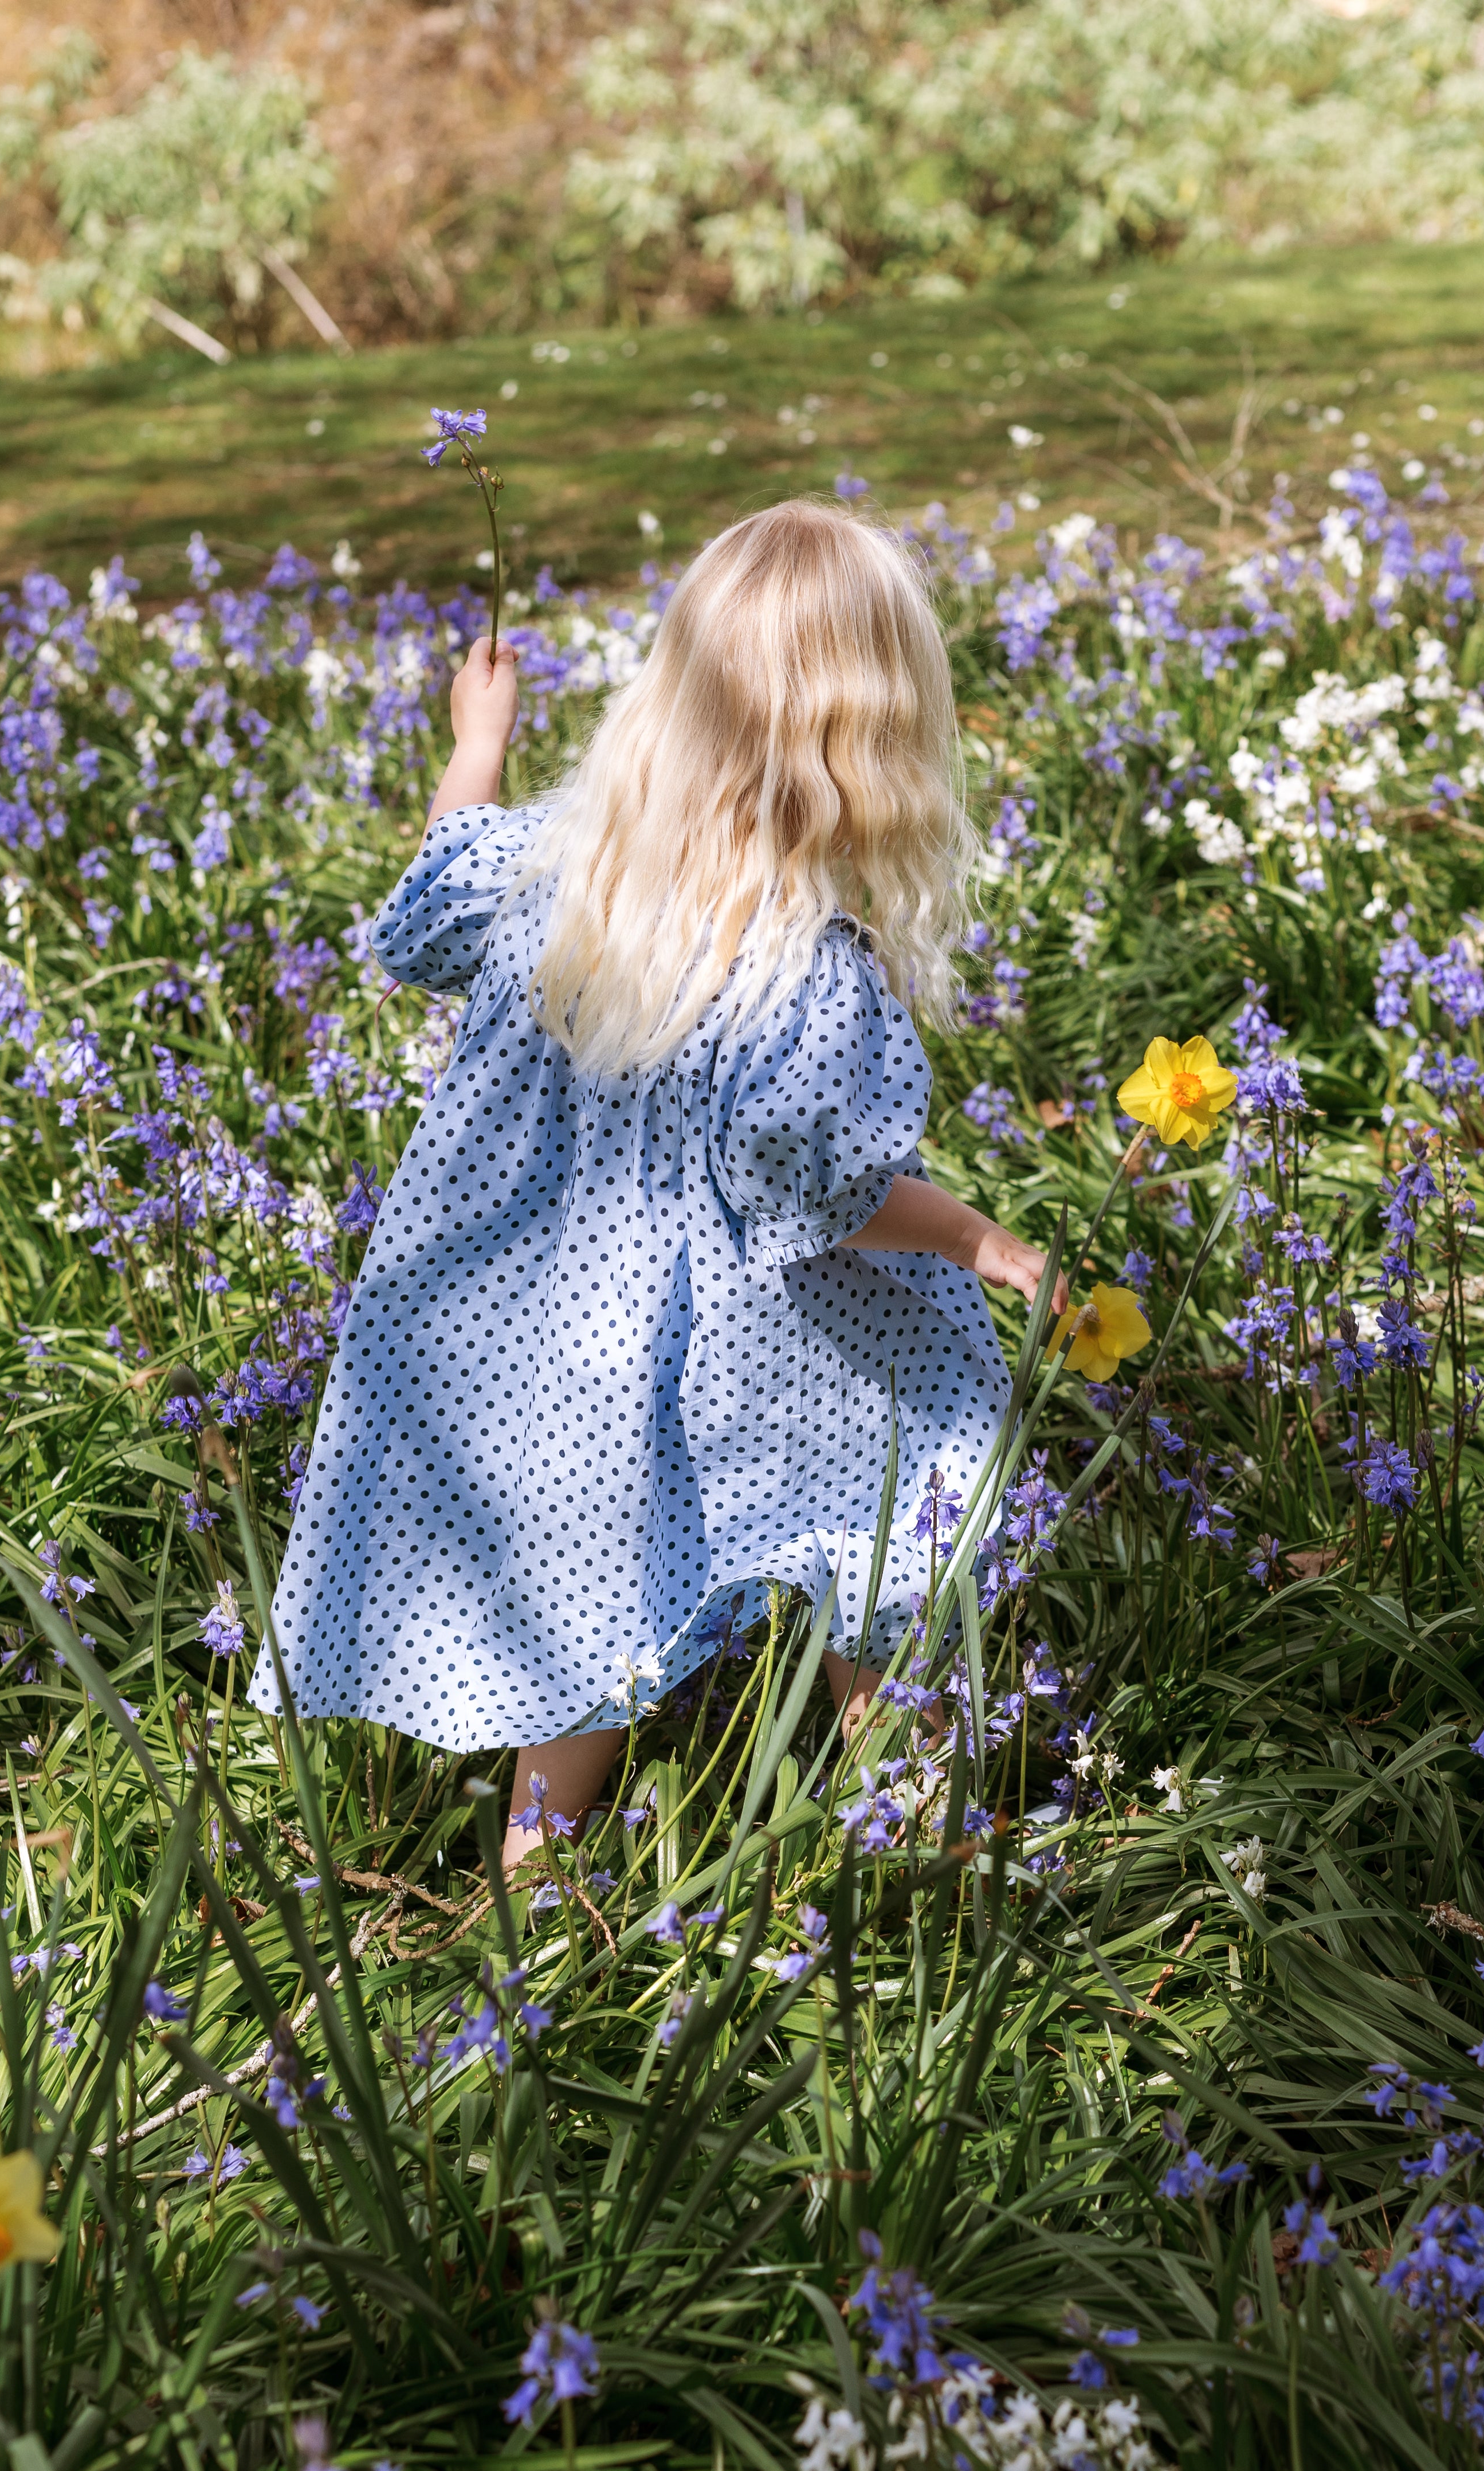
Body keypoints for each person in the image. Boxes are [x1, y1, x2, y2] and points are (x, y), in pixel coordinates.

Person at [246, 499, 1064, 1866]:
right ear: (876, 741)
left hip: (551, 1341)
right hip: (765, 1348)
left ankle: (534, 1886)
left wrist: (478, 742)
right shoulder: (806, 974)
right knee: (868, 1535)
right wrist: (984, 1244)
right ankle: (924, 1833)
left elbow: (437, 880)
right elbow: (823, 1194)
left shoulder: (547, 879)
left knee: (576, 1614)